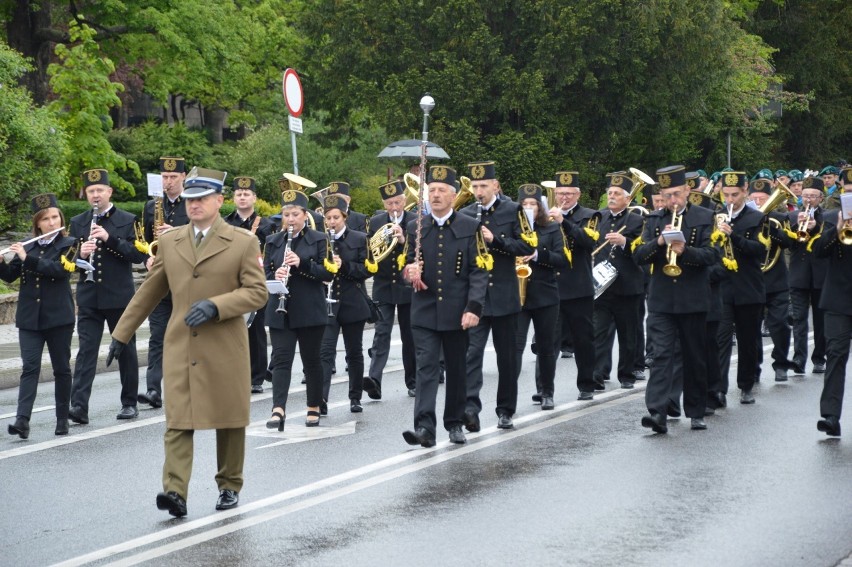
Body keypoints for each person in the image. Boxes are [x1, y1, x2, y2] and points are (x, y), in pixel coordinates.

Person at [108, 167, 266, 517]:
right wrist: (121, 334)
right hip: (182, 345)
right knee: (178, 420)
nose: (194, 205)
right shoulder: (171, 240)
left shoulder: (243, 241)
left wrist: (217, 305)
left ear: (219, 201)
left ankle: (229, 485)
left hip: (225, 345)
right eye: (191, 199)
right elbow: (150, 290)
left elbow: (257, 293)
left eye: (202, 199)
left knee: (229, 420)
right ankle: (175, 491)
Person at [401, 165, 487, 447]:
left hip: (457, 311)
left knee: (457, 368)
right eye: (431, 191)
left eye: (441, 191)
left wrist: (473, 307)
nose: (435, 195)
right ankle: (424, 428)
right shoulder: (415, 226)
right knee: (426, 368)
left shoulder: (469, 226)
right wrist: (410, 272)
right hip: (424, 311)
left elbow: (479, 270)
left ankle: (454, 423)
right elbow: (405, 265)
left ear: (453, 195)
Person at [635, 165, 719, 433]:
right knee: (660, 356)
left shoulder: (706, 216)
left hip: (693, 299)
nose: (673, 200)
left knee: (694, 356)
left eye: (677, 194)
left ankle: (696, 412)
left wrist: (685, 251)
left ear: (687, 190)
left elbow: (712, 256)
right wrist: (659, 243)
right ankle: (657, 412)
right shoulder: (654, 220)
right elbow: (638, 256)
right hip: (661, 300)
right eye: (668, 195)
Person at [67, 169, 148, 425]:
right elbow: (68, 261)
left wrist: (109, 238)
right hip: (89, 297)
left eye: (100, 190)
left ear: (109, 192)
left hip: (119, 296)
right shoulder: (78, 221)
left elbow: (138, 256)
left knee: (125, 349)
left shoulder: (127, 219)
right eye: (91, 191)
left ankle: (129, 403)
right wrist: (81, 254)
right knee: (86, 351)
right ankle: (79, 406)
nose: (95, 195)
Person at [460, 161, 533, 432]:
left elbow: (527, 244)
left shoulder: (514, 210)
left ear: (495, 186)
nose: (479, 191)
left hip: (504, 296)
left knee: (507, 358)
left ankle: (505, 410)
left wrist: (496, 240)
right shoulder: (466, 213)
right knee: (472, 355)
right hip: (476, 299)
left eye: (483, 186)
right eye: (475, 186)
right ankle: (470, 409)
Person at [2, 194, 76, 438]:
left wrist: (26, 258)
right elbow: (10, 276)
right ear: (38, 223)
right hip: (30, 319)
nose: (52, 223)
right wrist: (2, 262)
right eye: (46, 219)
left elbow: (59, 271)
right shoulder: (29, 244)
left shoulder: (69, 243)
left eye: (55, 217)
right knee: (29, 368)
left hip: (59, 318)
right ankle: (22, 420)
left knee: (61, 369)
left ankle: (62, 418)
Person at [264, 189, 334, 431]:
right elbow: (264, 273)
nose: (290, 219)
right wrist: (276, 274)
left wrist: (301, 264)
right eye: (286, 214)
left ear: (305, 215)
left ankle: (313, 406)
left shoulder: (319, 239)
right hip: (280, 310)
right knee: (281, 359)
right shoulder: (273, 241)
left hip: (309, 308)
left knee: (311, 360)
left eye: (295, 214)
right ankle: (278, 409)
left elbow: (328, 273)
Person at [138, 156, 190, 409]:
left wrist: (176, 233)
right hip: (160, 279)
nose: (168, 182)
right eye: (165, 177)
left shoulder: (194, 204)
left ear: (183, 178)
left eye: (173, 177)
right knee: (157, 336)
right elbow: (146, 241)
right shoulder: (151, 207)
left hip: (186, 281)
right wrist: (147, 258)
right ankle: (152, 389)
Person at [513, 184, 567, 409]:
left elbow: (561, 259)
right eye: (524, 205)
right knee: (514, 347)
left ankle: (546, 391)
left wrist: (537, 255)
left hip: (545, 295)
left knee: (546, 346)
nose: (528, 208)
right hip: (517, 296)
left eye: (532, 204)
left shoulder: (552, 229)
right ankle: (509, 397)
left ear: (540, 207)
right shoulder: (513, 228)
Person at [546, 171, 599, 400]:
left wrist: (563, 222)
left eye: (568, 193)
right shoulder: (546, 216)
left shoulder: (590, 215)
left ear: (578, 194)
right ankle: (544, 389)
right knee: (548, 341)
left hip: (578, 287)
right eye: (560, 193)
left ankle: (587, 385)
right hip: (552, 287)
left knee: (583, 339)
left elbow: (588, 241)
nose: (563, 198)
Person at [715, 171, 767, 404]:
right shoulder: (716, 216)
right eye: (726, 195)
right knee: (721, 340)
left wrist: (733, 236)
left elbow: (759, 251)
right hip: (723, 288)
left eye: (735, 194)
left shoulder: (757, 218)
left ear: (745, 191)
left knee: (747, 340)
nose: (730, 200)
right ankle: (718, 389)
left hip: (748, 287)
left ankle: (746, 386)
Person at [363, 180, 417, 399]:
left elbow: (419, 252)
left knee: (409, 336)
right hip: (383, 284)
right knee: (381, 333)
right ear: (384, 204)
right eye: (389, 204)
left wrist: (403, 239)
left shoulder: (415, 221)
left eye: (397, 202)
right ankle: (374, 380)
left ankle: (413, 381)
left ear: (404, 201)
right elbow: (370, 251)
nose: (394, 208)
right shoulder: (376, 222)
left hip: (406, 286)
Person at [591, 172, 645, 390]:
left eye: (616, 194)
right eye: (609, 193)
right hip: (602, 287)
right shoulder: (598, 217)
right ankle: (597, 374)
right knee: (598, 333)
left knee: (628, 334)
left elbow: (643, 251)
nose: (611, 197)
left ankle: (627, 375)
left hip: (627, 286)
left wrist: (624, 242)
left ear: (627, 198)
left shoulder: (637, 219)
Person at [223, 176, 276, 394]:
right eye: (238, 194)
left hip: (256, 283)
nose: (242, 197)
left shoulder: (267, 225)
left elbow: (272, 254)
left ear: (254, 198)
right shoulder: (225, 224)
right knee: (231, 331)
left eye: (246, 194)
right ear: (233, 198)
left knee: (255, 330)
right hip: (232, 283)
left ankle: (256, 377)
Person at [320, 194, 371, 413]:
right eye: (328, 218)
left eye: (336, 218)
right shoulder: (320, 239)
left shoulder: (359, 238)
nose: (332, 222)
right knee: (325, 352)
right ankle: (321, 399)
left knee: (354, 352)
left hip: (352, 302)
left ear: (344, 217)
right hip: (328, 304)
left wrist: (344, 266)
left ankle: (355, 397)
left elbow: (367, 269)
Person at [787, 176, 829, 375]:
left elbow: (829, 242)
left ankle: (819, 357)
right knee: (799, 319)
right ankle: (799, 358)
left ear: (821, 198)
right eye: (805, 196)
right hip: (798, 274)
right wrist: (797, 228)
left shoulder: (828, 218)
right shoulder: (793, 217)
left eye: (812, 196)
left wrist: (817, 227)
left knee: (820, 320)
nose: (808, 200)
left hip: (821, 275)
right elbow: (789, 244)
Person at [813, 209, 849, 436]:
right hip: (839, 300)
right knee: (835, 355)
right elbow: (819, 252)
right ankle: (830, 416)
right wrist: (837, 228)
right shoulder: (831, 218)